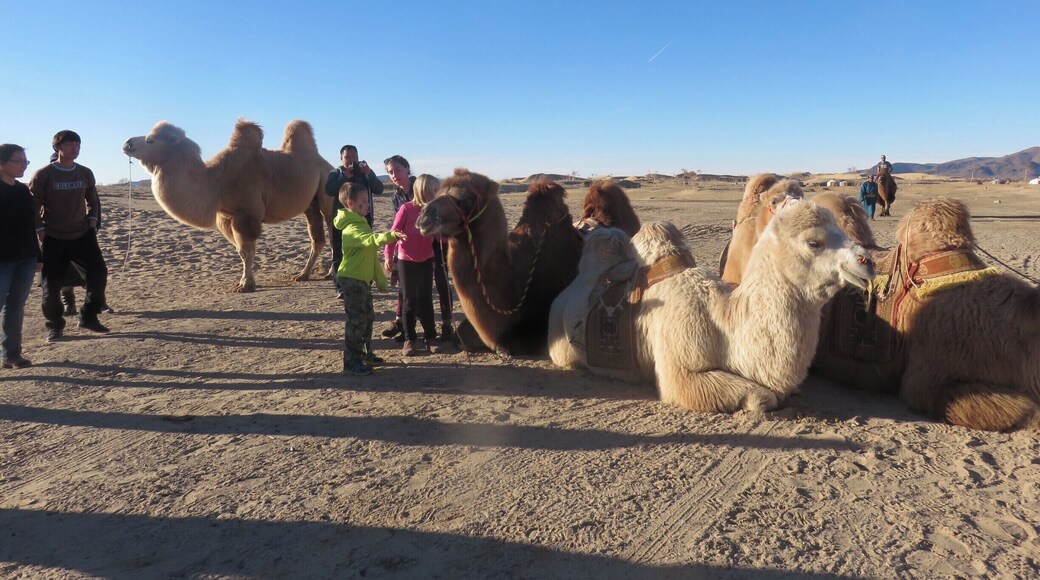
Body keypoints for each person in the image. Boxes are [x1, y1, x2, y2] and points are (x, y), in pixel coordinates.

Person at [29, 130, 109, 341]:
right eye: (70, 144)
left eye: (78, 144)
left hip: (83, 235)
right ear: (58, 147)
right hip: (54, 237)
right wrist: (40, 230)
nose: (75, 148)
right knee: (51, 286)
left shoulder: (84, 172)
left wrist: (93, 221)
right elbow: (33, 206)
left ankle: (89, 317)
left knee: (98, 275)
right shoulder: (43, 174)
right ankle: (54, 326)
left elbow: (93, 200)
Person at [335, 181, 404, 376]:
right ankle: (351, 361)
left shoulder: (362, 224)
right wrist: (390, 236)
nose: (368, 205)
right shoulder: (351, 228)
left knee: (367, 317)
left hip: (362, 280)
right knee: (356, 321)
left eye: (368, 201)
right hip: (351, 279)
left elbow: (372, 255)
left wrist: (380, 280)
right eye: (363, 202)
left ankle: (365, 354)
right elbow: (371, 241)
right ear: (350, 204)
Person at [384, 174, 442, 356]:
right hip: (406, 260)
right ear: (424, 191)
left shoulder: (433, 212)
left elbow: (440, 238)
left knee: (426, 299)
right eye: (434, 190)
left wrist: (443, 231)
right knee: (409, 300)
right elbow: (392, 235)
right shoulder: (406, 209)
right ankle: (409, 339)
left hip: (426, 259)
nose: (436, 194)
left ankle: (430, 336)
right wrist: (388, 257)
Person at [1, 144, 42, 369]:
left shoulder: (22, 190)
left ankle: (12, 355)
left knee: (16, 306)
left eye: (25, 161)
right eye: (18, 160)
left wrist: (38, 255)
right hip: (2, 259)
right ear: (2, 162)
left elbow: (30, 224)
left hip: (25, 256)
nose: (24, 165)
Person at [324, 145, 384, 298]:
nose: (351, 160)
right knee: (339, 253)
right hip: (342, 221)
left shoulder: (364, 172)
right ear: (341, 158)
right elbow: (329, 190)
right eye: (347, 157)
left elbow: (379, 189)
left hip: (364, 219)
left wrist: (369, 173)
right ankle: (340, 288)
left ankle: (365, 284)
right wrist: (344, 178)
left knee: (365, 252)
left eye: (354, 157)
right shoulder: (336, 173)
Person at [380, 155, 415, 341]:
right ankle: (401, 323)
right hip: (407, 247)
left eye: (398, 170)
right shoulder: (396, 197)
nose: (394, 175)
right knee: (404, 285)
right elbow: (397, 226)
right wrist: (391, 256)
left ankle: (445, 325)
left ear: (407, 168)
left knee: (438, 286)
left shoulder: (421, 188)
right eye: (390, 172)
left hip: (430, 244)